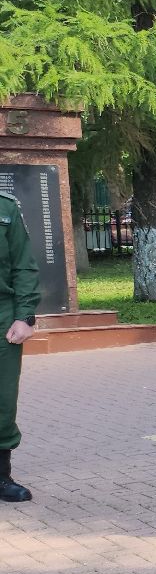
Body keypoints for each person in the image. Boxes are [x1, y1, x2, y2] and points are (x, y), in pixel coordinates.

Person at [0, 186, 39, 501]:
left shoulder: (6, 208)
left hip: (1, 314)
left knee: (2, 397)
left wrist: (24, 316)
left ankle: (1, 477)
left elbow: (23, 265)